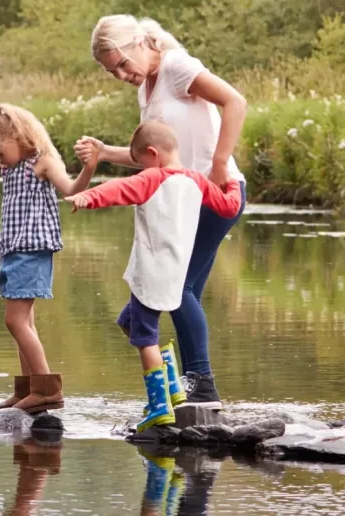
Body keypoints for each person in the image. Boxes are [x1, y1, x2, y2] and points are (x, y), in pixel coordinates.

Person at [76, 14, 247, 408]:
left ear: (140, 43)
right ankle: (184, 387)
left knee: (178, 290)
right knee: (183, 294)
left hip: (212, 193)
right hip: (181, 202)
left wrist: (220, 163)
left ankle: (202, 385)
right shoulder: (147, 89)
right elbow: (151, 158)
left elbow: (235, 102)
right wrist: (104, 152)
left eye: (122, 63)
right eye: (113, 72)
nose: (122, 75)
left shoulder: (176, 67)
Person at [66, 121, 241, 431]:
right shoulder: (197, 181)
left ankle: (159, 406)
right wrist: (233, 184)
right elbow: (229, 207)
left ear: (153, 154)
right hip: (175, 273)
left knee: (145, 338)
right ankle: (173, 387)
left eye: (141, 162)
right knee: (129, 321)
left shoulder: (153, 178)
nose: (141, 169)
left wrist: (87, 197)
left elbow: (118, 189)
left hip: (150, 274)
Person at [0, 104, 98, 413]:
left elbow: (71, 189)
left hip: (32, 248)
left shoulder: (42, 162)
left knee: (15, 321)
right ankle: (28, 389)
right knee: (24, 322)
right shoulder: (11, 167)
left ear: (19, 137)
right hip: (13, 248)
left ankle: (47, 390)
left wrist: (88, 169)